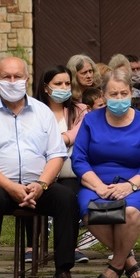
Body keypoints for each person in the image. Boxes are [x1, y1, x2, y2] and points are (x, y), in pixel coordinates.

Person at [0, 57, 81, 278]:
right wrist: (11, 187)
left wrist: (41, 184)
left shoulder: (42, 113)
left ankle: (63, 273)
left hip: (38, 184)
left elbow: (57, 155)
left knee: (67, 198)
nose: (12, 81)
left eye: (18, 76)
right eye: (6, 77)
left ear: (27, 80)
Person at [72, 70, 140, 278]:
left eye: (124, 93)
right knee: (91, 211)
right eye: (114, 94)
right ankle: (127, 259)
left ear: (132, 93)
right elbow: (79, 159)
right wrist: (98, 186)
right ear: (103, 95)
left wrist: (130, 185)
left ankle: (115, 266)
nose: (119, 98)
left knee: (130, 212)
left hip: (137, 184)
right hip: (96, 183)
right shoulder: (90, 120)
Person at [34, 65, 90, 264]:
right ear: (46, 87)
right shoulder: (34, 110)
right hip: (39, 170)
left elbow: (78, 134)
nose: (64, 87)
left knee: (70, 196)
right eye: (58, 83)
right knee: (31, 190)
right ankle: (32, 246)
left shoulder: (80, 110)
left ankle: (70, 246)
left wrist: (59, 139)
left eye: (67, 83)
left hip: (69, 172)